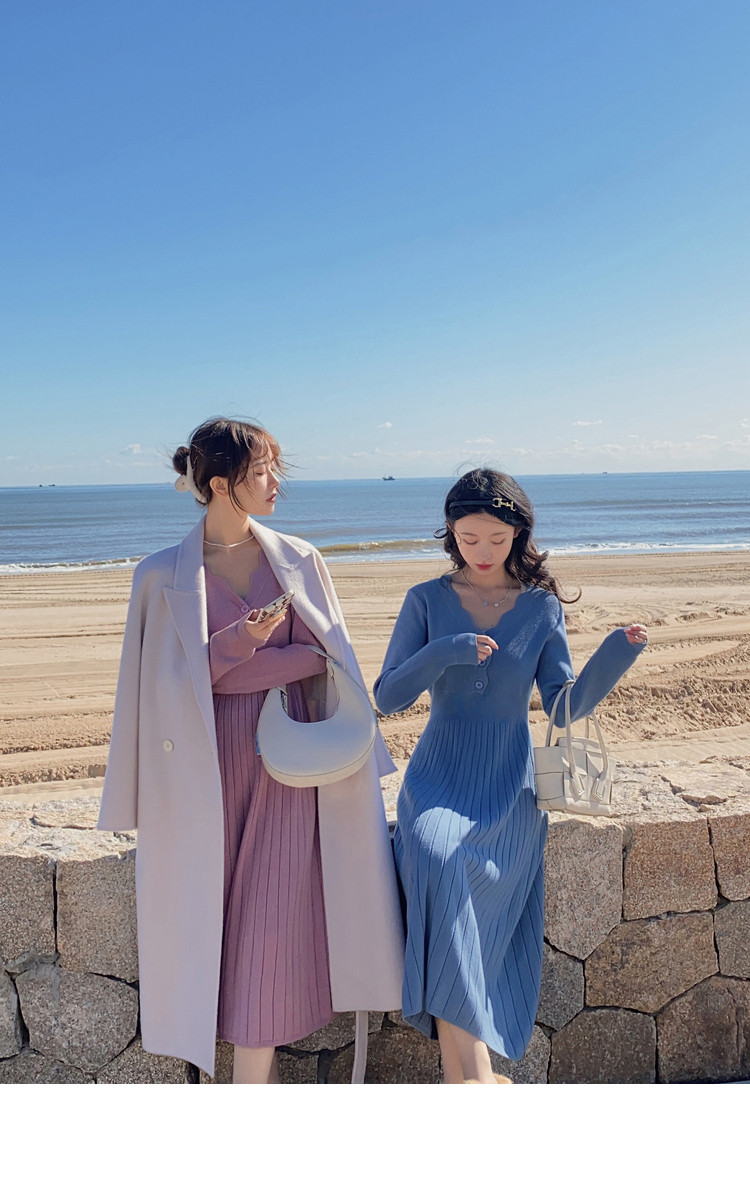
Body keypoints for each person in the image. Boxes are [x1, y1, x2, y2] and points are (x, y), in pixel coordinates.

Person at [97, 417, 403, 1083]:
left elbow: (324, 661)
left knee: (268, 926)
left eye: (273, 470)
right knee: (209, 927)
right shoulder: (158, 576)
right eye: (260, 471)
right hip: (199, 772)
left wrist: (235, 660)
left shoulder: (301, 559)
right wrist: (251, 646)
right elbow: (156, 687)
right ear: (216, 483)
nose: (275, 484)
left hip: (288, 765)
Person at [374, 468, 647, 1085]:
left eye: (496, 539)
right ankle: (475, 1078)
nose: (482, 550)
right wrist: (446, 649)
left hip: (510, 787)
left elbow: (563, 708)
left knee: (462, 897)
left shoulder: (541, 607)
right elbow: (388, 696)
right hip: (438, 777)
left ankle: (469, 1080)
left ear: (519, 533)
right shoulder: (425, 599)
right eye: (468, 538)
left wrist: (616, 653)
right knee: (438, 858)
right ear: (450, 533)